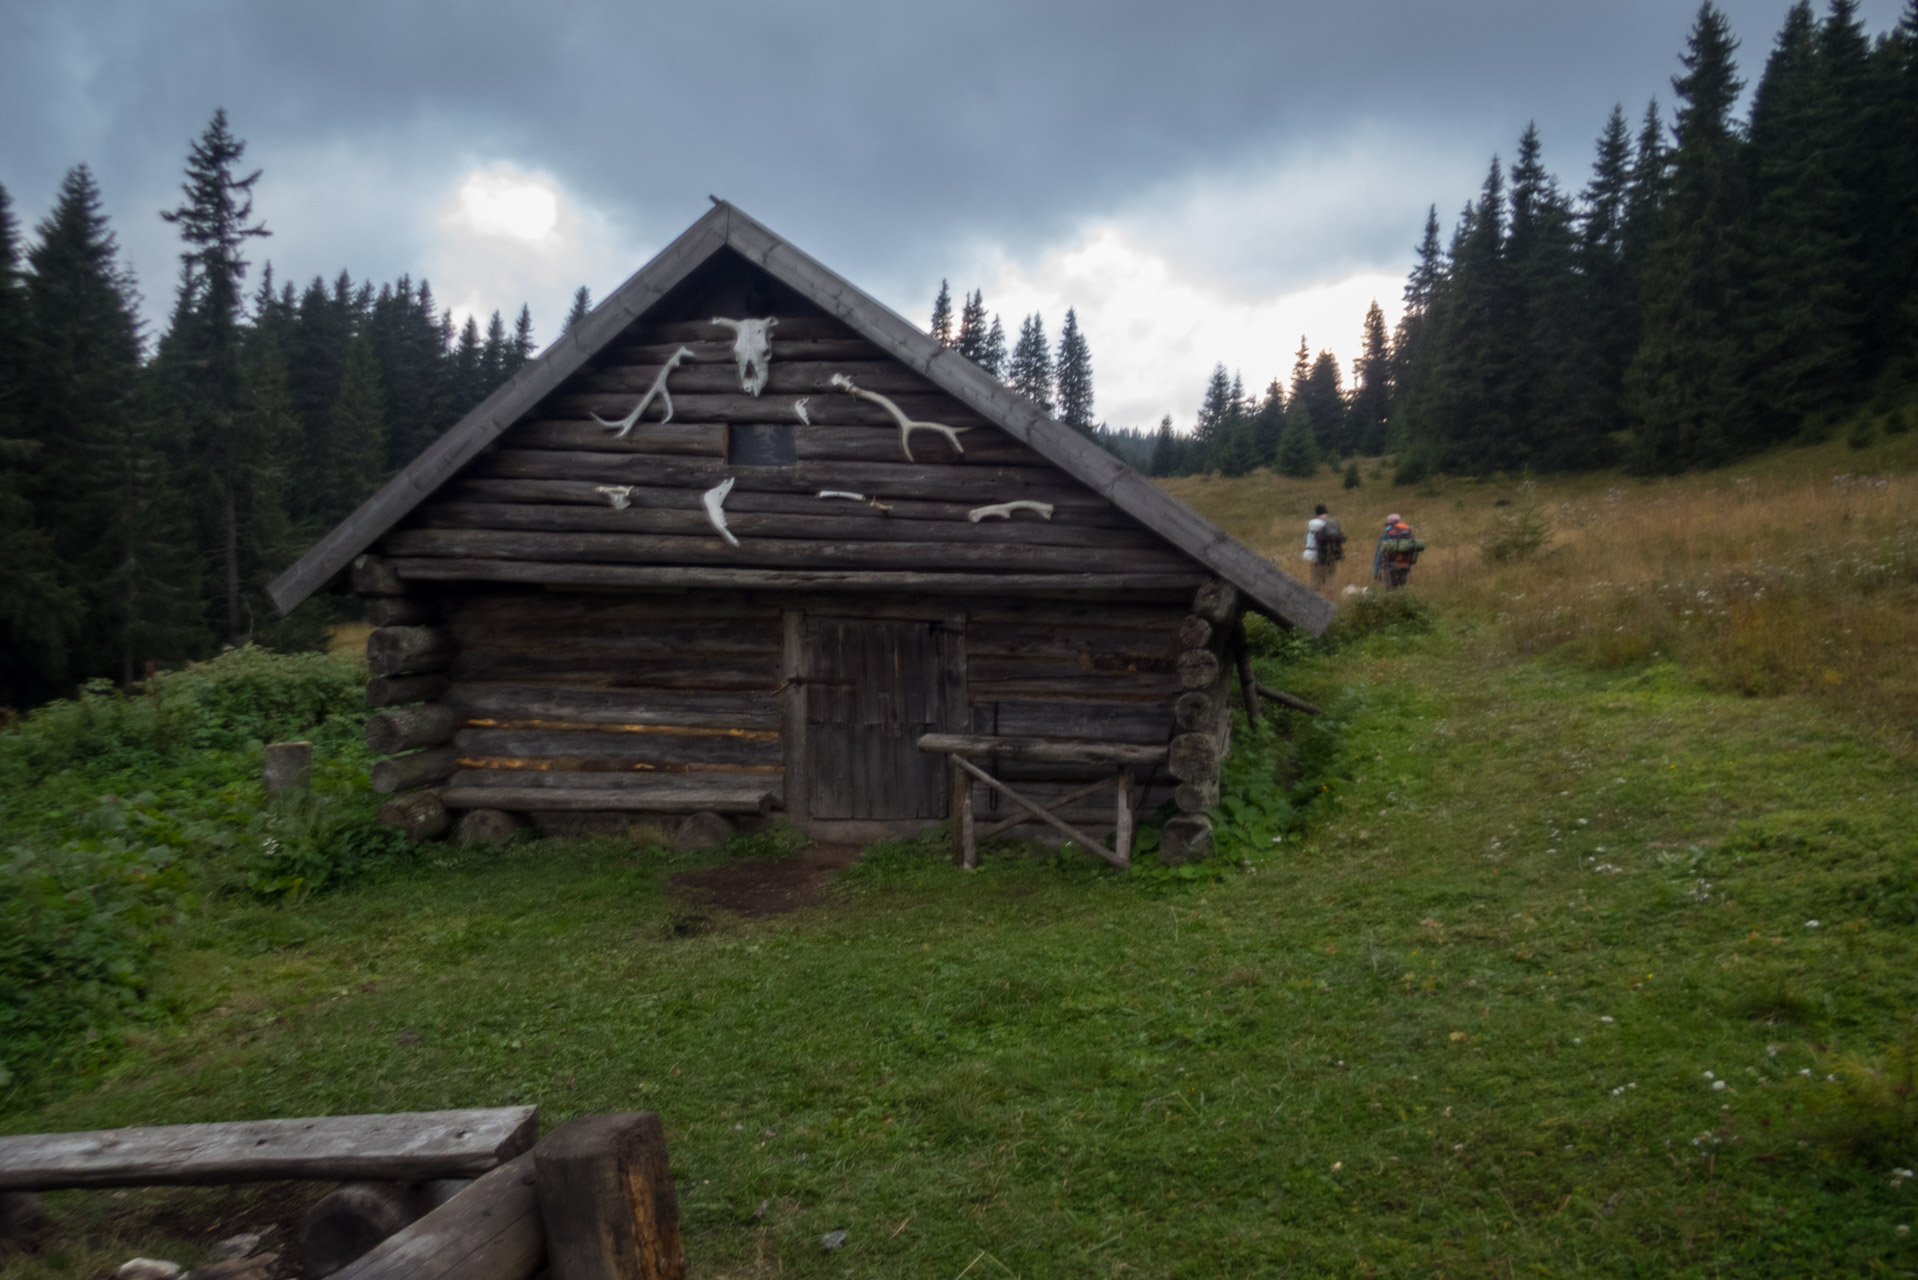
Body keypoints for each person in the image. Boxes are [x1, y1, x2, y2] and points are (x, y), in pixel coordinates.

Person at [1373, 512, 1423, 591]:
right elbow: (1413, 547)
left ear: (1389, 523)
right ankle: (1401, 600)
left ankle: (1393, 601)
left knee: (1391, 589)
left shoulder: (1386, 534)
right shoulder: (1408, 531)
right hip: (1405, 564)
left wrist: (1375, 571)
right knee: (1401, 587)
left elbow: (1379, 553)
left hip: (1390, 565)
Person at [1302, 503, 1344, 592]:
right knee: (1330, 582)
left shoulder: (1311, 524)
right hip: (1332, 557)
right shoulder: (1331, 524)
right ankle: (1330, 602)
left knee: (1314, 582)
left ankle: (1313, 602)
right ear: (1325, 512)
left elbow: (1305, 541)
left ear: (1316, 513)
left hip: (1316, 558)